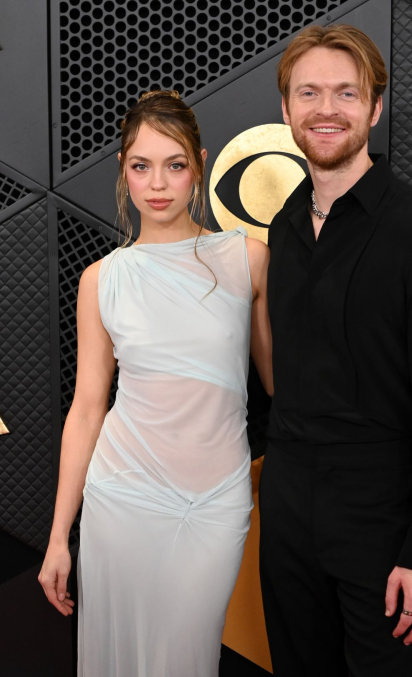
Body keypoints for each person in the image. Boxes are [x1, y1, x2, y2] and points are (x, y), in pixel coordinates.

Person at [259, 24, 412, 677]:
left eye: (346, 93)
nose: (327, 109)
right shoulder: (284, 226)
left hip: (383, 522)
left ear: (374, 108)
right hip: (289, 508)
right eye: (310, 93)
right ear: (286, 110)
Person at [38, 90, 272, 677]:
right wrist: (59, 536)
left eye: (175, 165)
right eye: (141, 166)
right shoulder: (102, 280)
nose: (158, 183)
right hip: (123, 499)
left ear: (200, 163)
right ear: (123, 170)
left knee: (186, 661)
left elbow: (280, 384)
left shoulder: (247, 258)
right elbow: (88, 409)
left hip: (215, 502)